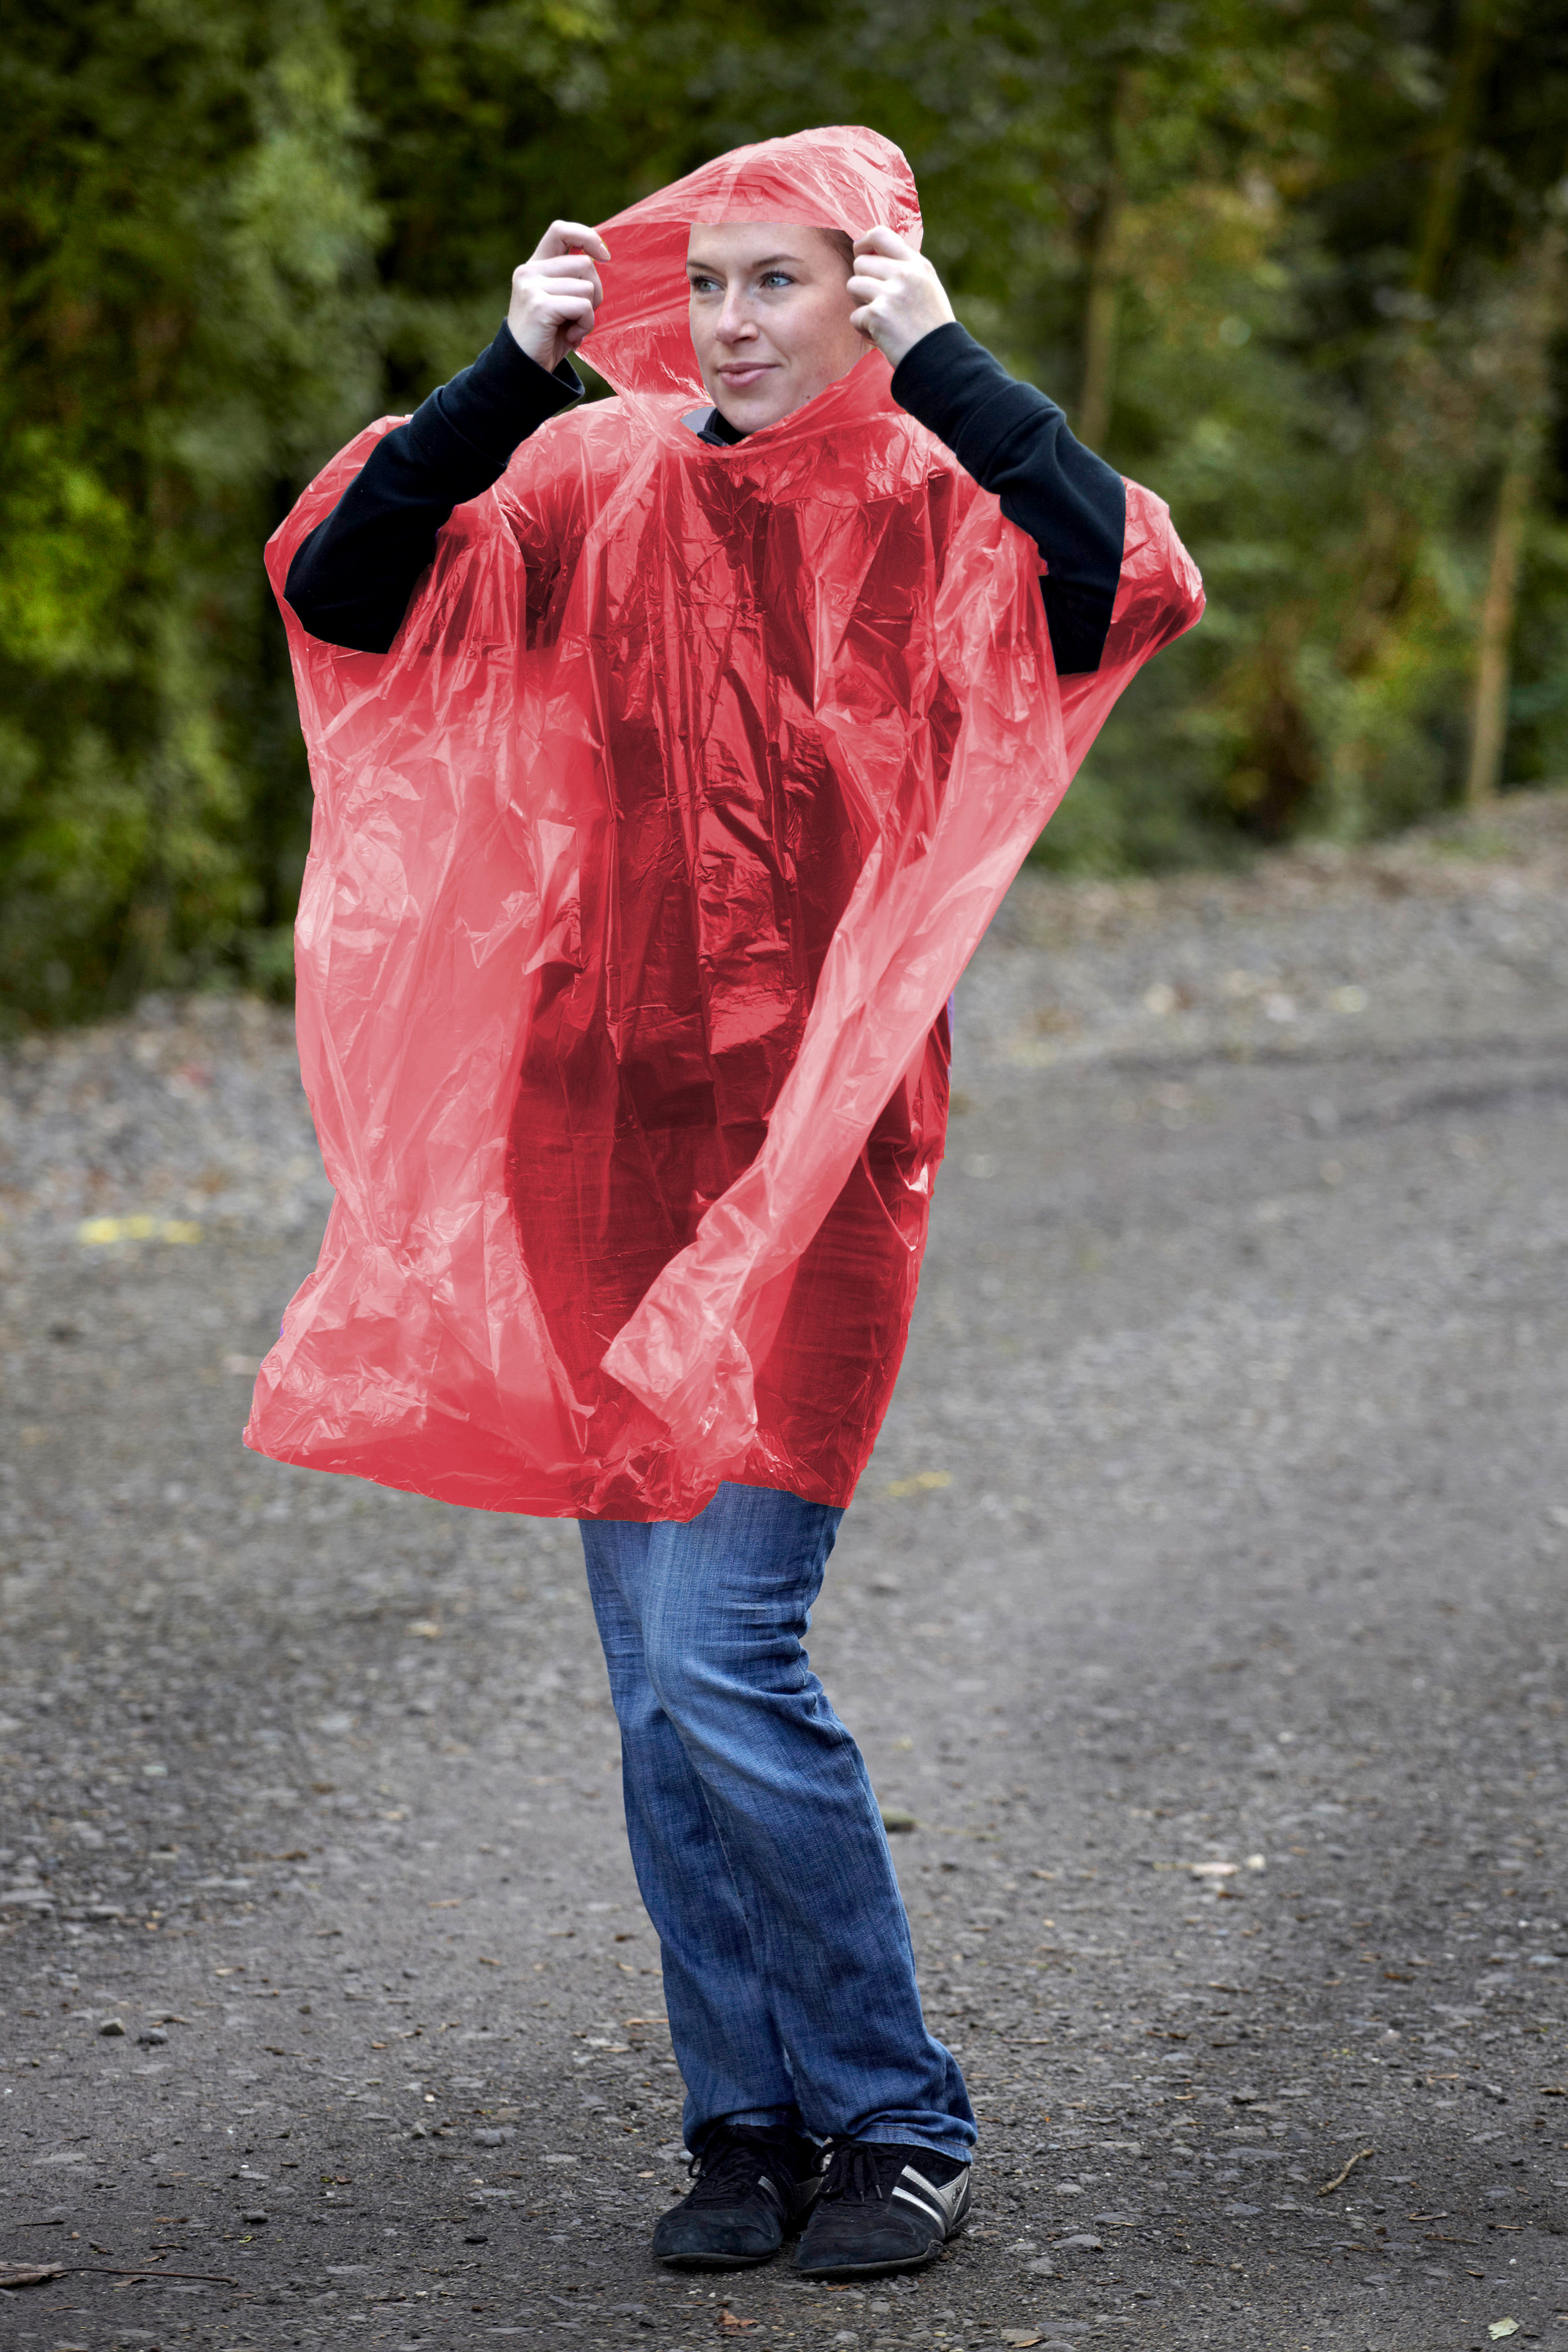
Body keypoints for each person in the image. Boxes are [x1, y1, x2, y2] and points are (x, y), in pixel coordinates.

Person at [268, 127, 1200, 2282]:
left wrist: (953, 365)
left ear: (872, 290)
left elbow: (1121, 575)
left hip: (809, 1157)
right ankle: (744, 2115)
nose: (737, 323)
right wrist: (499, 380)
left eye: (788, 284)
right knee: (648, 1690)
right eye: (713, 284)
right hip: (593, 1135)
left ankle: (895, 2116)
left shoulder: (932, 492)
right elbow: (345, 593)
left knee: (722, 1652)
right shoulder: (587, 479)